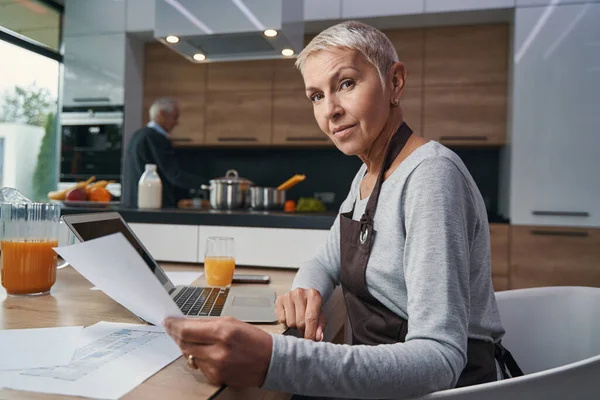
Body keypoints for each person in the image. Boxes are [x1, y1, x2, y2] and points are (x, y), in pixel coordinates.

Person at [163, 21, 522, 399]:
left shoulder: (430, 176)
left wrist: (274, 360)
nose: (330, 111)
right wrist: (306, 289)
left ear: (395, 82)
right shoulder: (367, 177)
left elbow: (441, 360)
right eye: (316, 96)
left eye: (346, 84)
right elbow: (325, 259)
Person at [122, 97, 207, 208]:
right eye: (175, 117)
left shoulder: (138, 135)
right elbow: (174, 175)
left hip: (134, 203)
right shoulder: (155, 138)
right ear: (162, 114)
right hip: (153, 206)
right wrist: (209, 184)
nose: (177, 123)